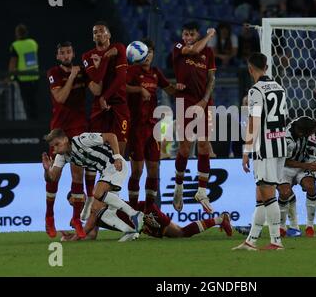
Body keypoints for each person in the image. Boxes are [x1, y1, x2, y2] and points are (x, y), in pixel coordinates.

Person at [41, 129, 145, 239]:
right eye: (54, 147)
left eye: (57, 144)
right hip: (105, 172)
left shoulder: (82, 140)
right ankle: (129, 231)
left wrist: (117, 157)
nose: (56, 149)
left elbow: (111, 136)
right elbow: (52, 178)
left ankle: (135, 214)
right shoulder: (61, 157)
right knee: (97, 210)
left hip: (114, 166)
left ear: (66, 139)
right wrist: (47, 170)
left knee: (97, 192)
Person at [44, 41, 101, 238]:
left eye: (69, 52)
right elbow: (60, 98)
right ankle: (49, 217)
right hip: (59, 131)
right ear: (58, 56)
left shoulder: (82, 71)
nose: (66, 56)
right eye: (62, 53)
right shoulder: (54, 73)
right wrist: (73, 76)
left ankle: (76, 219)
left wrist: (96, 69)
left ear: (73, 53)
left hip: (78, 128)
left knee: (77, 174)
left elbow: (96, 90)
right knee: (54, 176)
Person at [233, 52, 288, 251]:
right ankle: (251, 241)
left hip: (264, 148)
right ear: (266, 66)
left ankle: (276, 241)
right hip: (280, 145)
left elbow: (254, 121)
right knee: (261, 195)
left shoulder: (255, 91)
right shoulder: (280, 87)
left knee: (267, 193)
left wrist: (246, 150)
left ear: (250, 68)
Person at [126, 39, 183, 212]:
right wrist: (139, 90)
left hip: (152, 127)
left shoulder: (156, 72)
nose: (147, 56)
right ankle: (133, 211)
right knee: (137, 171)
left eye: (150, 52)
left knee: (153, 169)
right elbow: (122, 87)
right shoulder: (132, 71)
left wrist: (182, 88)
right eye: (145, 52)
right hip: (136, 127)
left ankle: (150, 211)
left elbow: (170, 90)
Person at [171, 22, 216, 214]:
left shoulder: (209, 54)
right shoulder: (179, 47)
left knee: (205, 145)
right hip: (185, 102)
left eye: (191, 34)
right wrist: (209, 35)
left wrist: (205, 100)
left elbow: (212, 78)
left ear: (196, 35)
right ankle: (179, 186)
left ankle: (202, 192)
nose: (188, 37)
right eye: (186, 34)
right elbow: (195, 49)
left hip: (204, 102)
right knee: (185, 147)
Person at [61, 200, 233, 241]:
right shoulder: (92, 213)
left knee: (180, 233)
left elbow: (87, 228)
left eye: (76, 201)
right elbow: (91, 235)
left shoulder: (95, 204)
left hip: (144, 212)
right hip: (142, 217)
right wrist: (74, 235)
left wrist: (73, 238)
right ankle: (219, 219)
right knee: (180, 232)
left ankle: (219, 219)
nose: (76, 204)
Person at [81, 21, 130, 156]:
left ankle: (117, 175)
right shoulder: (87, 56)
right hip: (99, 107)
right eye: (95, 32)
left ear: (108, 34)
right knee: (96, 151)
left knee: (119, 152)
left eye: (101, 30)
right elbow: (97, 78)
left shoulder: (119, 48)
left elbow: (121, 78)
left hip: (119, 103)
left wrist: (105, 97)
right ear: (93, 37)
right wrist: (105, 59)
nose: (98, 34)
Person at [278, 116, 316, 238]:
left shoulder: (304, 122)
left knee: (310, 187)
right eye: (310, 133)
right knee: (285, 193)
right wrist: (307, 165)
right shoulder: (287, 139)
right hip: (285, 167)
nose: (312, 134)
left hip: (303, 164)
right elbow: (285, 161)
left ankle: (310, 226)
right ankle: (281, 226)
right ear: (302, 133)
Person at [7, 24, 39, 120]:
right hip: (35, 77)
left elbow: (13, 62)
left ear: (17, 34)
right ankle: (36, 126)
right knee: (34, 104)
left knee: (26, 105)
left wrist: (9, 77)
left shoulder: (15, 45)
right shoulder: (33, 43)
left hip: (24, 79)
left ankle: (29, 127)